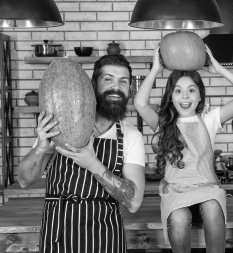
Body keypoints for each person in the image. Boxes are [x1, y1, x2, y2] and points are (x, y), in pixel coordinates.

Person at [17, 54, 146, 253]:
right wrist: (41, 146)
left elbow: (134, 202)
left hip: (105, 238)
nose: (116, 87)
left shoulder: (131, 136)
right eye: (108, 79)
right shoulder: (58, 124)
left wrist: (94, 164)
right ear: (92, 86)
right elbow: (24, 180)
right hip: (58, 235)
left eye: (124, 81)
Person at [134, 45, 233, 253]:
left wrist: (219, 69)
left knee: (213, 209)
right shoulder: (164, 124)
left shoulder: (209, 120)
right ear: (170, 96)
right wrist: (155, 70)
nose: (185, 97)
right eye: (178, 91)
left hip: (207, 190)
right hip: (176, 193)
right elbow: (140, 103)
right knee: (180, 219)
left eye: (192, 91)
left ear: (200, 96)